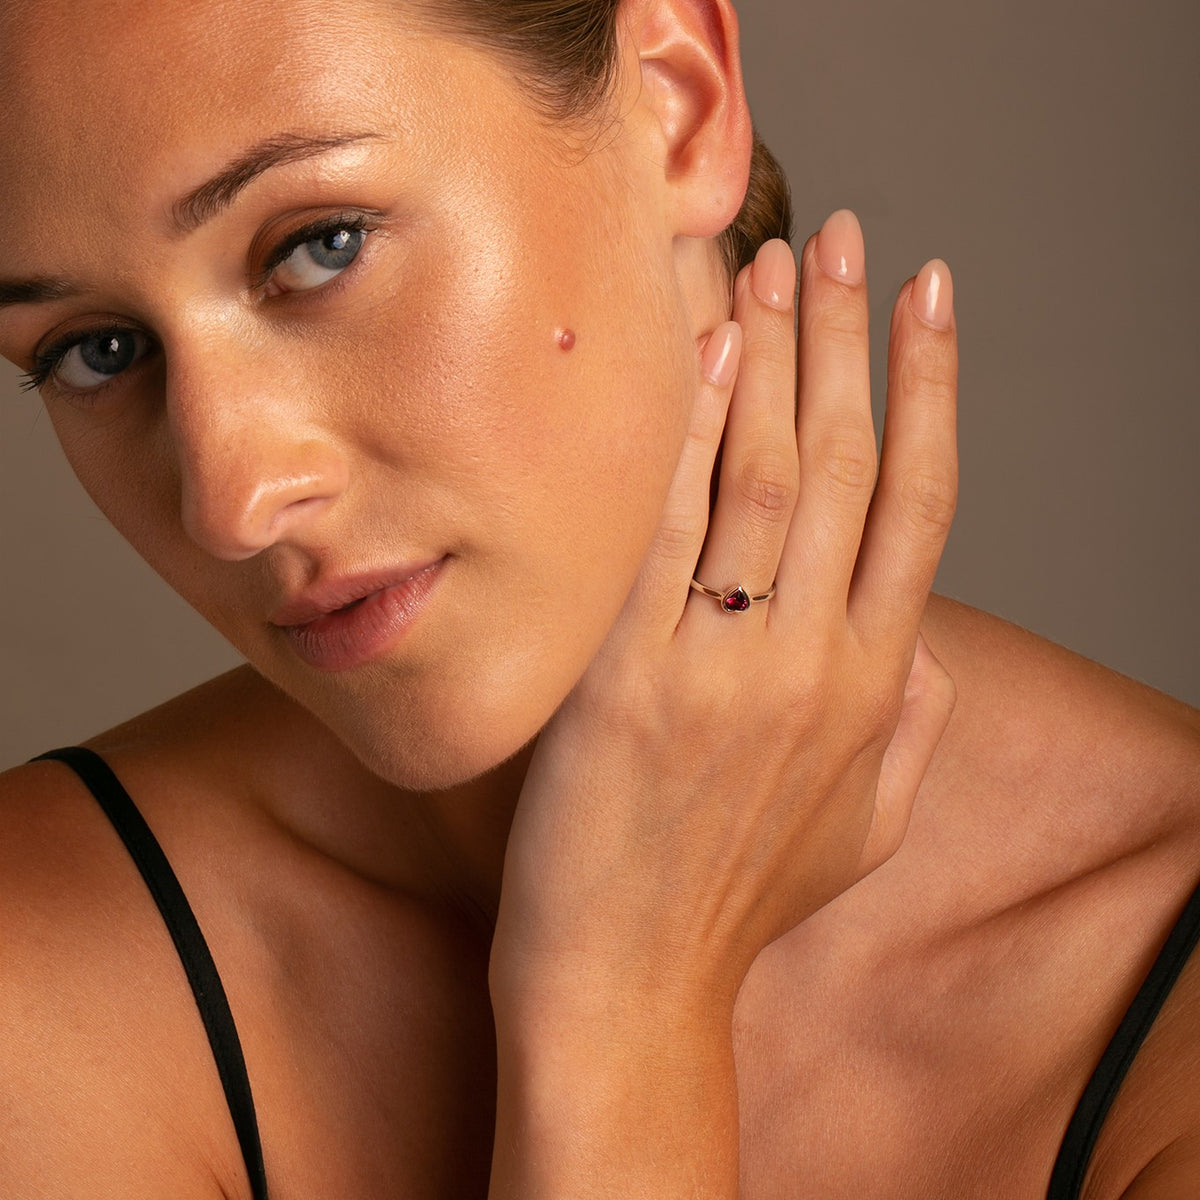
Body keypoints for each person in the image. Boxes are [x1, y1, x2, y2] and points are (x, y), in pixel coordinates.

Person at [0, 1, 1196, 1196]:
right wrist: (628, 1009)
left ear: (678, 104)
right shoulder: (37, 975)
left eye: (321, 244)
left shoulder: (1159, 962)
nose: (233, 500)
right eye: (95, 350)